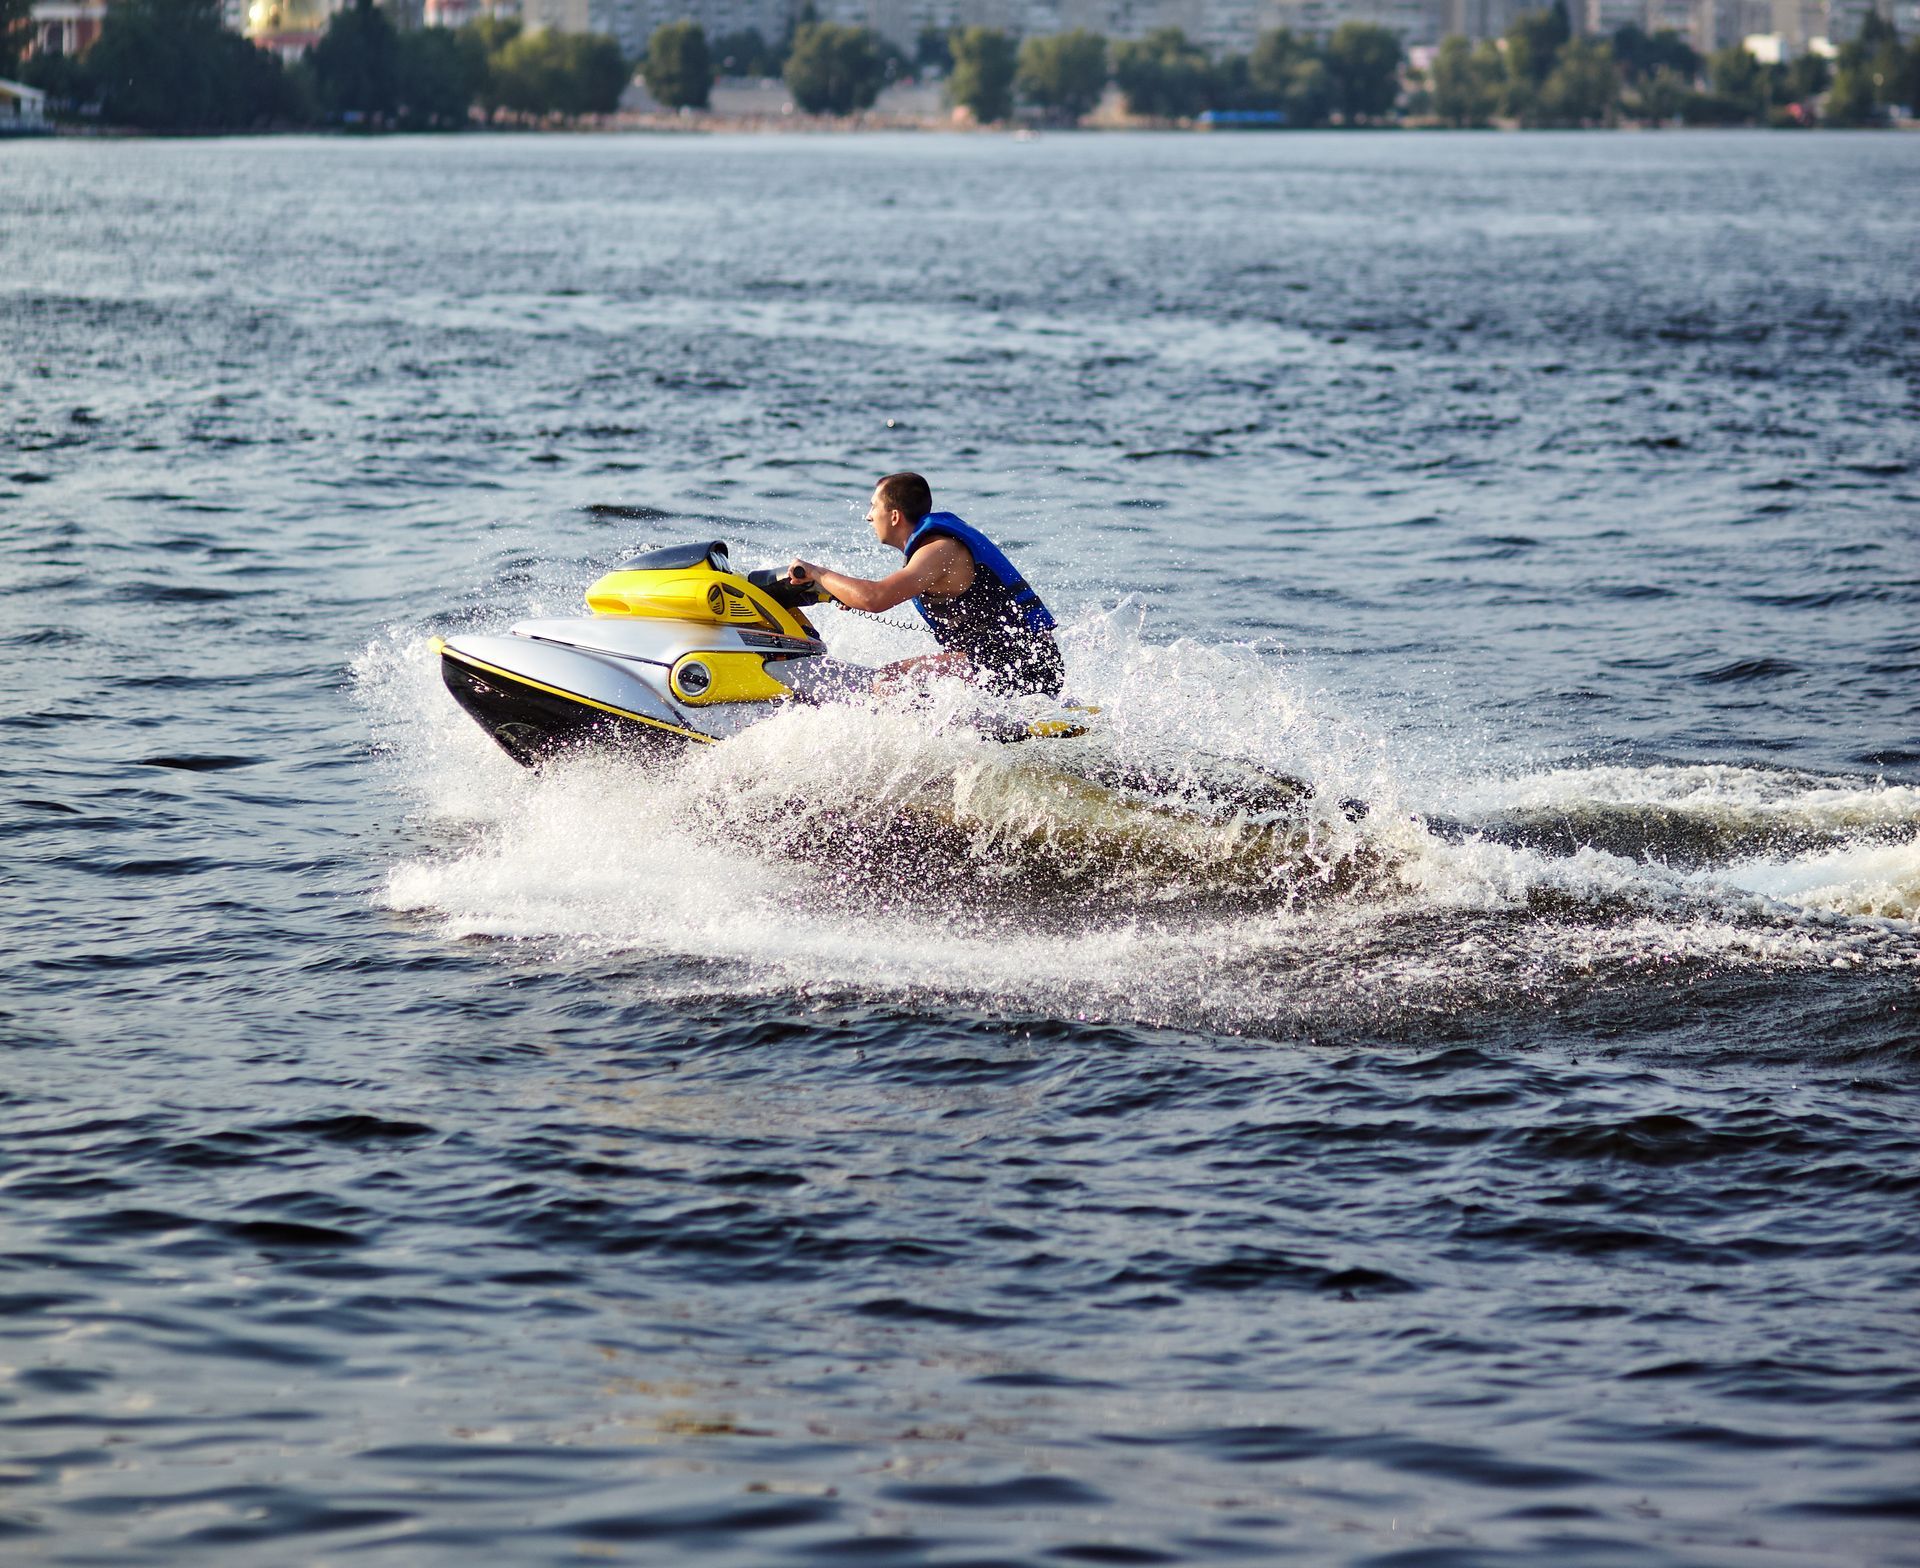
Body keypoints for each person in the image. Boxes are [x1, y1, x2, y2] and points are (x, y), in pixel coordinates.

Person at [789, 473, 1066, 698]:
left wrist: (816, 572)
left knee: (892, 679)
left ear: (894, 516)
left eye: (874, 506)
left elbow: (875, 598)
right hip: (999, 661)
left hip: (1020, 664)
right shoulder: (929, 551)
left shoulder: (940, 550)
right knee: (911, 681)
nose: (869, 516)